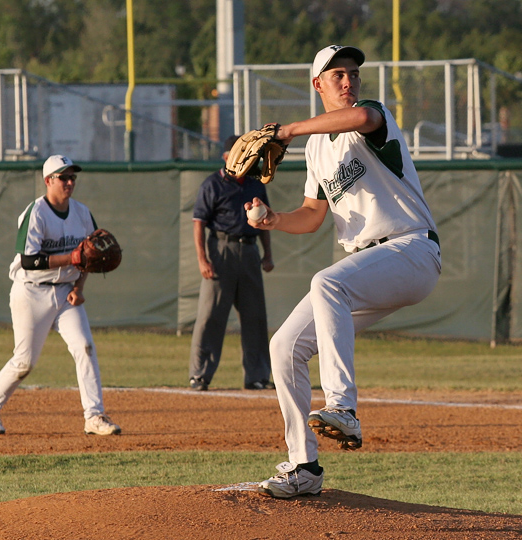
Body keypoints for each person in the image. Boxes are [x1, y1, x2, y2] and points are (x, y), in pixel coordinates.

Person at [249, 45, 442, 498]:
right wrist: (274, 219)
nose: (348, 81)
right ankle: (304, 466)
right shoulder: (316, 147)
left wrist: (289, 129)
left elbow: (358, 120)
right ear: (317, 84)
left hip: (412, 249)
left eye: (353, 73)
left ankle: (344, 407)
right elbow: (312, 215)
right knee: (284, 347)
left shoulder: (372, 116)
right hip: (369, 264)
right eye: (336, 74)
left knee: (327, 281)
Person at [0, 154, 121, 436]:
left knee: (85, 347)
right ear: (48, 181)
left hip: (66, 291)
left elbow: (91, 257)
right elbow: (30, 261)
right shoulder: (36, 213)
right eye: (63, 177)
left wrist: (79, 287)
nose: (70, 182)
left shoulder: (81, 213)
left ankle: (94, 416)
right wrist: (71, 257)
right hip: (31, 293)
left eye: (73, 177)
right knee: (24, 361)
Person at [188, 135, 276, 391]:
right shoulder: (212, 184)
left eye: (247, 154)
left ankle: (257, 375)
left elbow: (265, 221)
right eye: (238, 154)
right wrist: (202, 258)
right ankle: (199, 374)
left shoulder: (255, 184)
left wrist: (267, 254)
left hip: (249, 250)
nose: (244, 159)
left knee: (255, 316)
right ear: (227, 156)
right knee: (211, 316)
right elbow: (198, 223)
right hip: (220, 250)